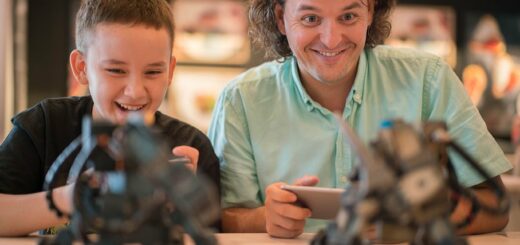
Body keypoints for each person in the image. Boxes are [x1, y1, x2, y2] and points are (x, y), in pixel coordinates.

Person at [208, 0, 512, 239]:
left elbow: (495, 208)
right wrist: (264, 218)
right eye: (311, 18)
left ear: (370, 11)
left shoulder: (428, 80)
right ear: (280, 18)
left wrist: (416, 217)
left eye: (349, 17)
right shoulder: (241, 100)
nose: (331, 40)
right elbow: (224, 217)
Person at [0, 0, 219, 236]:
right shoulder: (44, 126)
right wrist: (71, 198)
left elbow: (215, 232)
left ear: (170, 71)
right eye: (116, 70)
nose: (135, 91)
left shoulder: (191, 146)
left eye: (153, 71)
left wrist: (183, 207)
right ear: (82, 67)